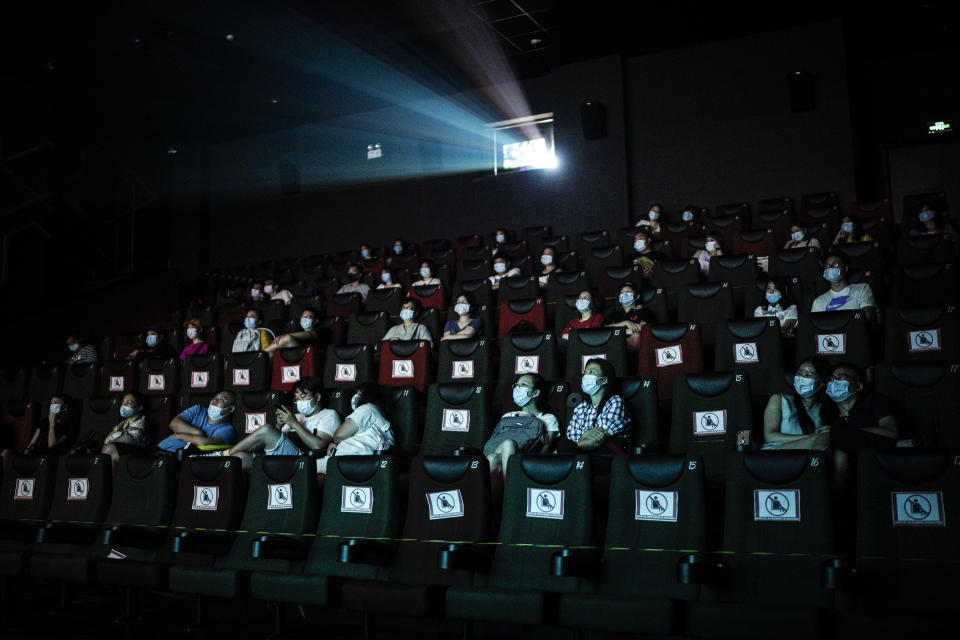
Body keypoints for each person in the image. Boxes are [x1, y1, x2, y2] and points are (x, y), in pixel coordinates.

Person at [206, 377, 341, 471]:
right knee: (238, 458)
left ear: (317, 397)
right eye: (297, 398)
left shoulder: (329, 415)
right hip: (277, 458)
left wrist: (294, 423)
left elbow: (319, 446)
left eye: (303, 397)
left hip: (302, 461)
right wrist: (278, 426)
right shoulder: (297, 416)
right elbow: (275, 442)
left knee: (266, 430)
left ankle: (220, 456)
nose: (299, 402)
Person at [484, 374, 559, 480]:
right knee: (493, 457)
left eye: (523, 385)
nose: (517, 388)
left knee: (502, 450)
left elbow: (543, 450)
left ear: (535, 393)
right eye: (516, 385)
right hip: (497, 457)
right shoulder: (507, 416)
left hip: (526, 460)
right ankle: (509, 489)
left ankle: (509, 487)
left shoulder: (548, 419)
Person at [556, 358, 631, 457]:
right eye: (585, 373)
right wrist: (586, 435)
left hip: (606, 455)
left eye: (591, 372)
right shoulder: (581, 408)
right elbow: (571, 437)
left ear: (603, 380)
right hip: (581, 455)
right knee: (563, 444)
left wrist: (580, 441)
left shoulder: (615, 401)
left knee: (564, 449)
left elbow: (597, 440)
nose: (586, 376)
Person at [315, 383, 394, 474]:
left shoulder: (368, 408)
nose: (355, 397)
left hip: (349, 462)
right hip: (356, 462)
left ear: (368, 396)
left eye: (359, 394)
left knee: (305, 469)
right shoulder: (379, 416)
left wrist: (335, 442)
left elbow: (339, 435)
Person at [761, 357, 835, 450]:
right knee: (823, 439)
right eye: (799, 373)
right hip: (776, 453)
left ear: (821, 382)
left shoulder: (824, 408)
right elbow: (770, 437)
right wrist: (812, 438)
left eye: (808, 375)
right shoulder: (779, 399)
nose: (802, 378)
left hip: (807, 456)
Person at [157, 392, 237, 453]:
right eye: (214, 397)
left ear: (230, 409)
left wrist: (179, 436)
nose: (214, 400)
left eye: (221, 400)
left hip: (176, 459)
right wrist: (198, 432)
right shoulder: (198, 409)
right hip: (159, 449)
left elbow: (205, 443)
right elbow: (174, 424)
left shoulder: (227, 430)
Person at [810, 253, 877, 320]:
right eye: (827, 266)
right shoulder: (818, 302)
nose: (830, 268)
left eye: (835, 264)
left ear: (845, 268)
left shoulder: (862, 289)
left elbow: (867, 317)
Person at [14, 395, 79, 458]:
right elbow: (32, 443)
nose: (53, 405)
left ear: (65, 406)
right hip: (37, 455)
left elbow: (52, 449)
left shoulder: (68, 425)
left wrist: (52, 424)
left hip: (51, 458)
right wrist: (27, 452)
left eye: (56, 402)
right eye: (52, 403)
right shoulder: (44, 421)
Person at [101, 393, 150, 467]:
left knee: (109, 448)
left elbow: (129, 439)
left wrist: (109, 444)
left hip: (138, 453)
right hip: (121, 451)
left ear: (139, 407)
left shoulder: (143, 422)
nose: (124, 405)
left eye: (129, 402)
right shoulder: (121, 424)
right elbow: (107, 439)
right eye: (123, 402)